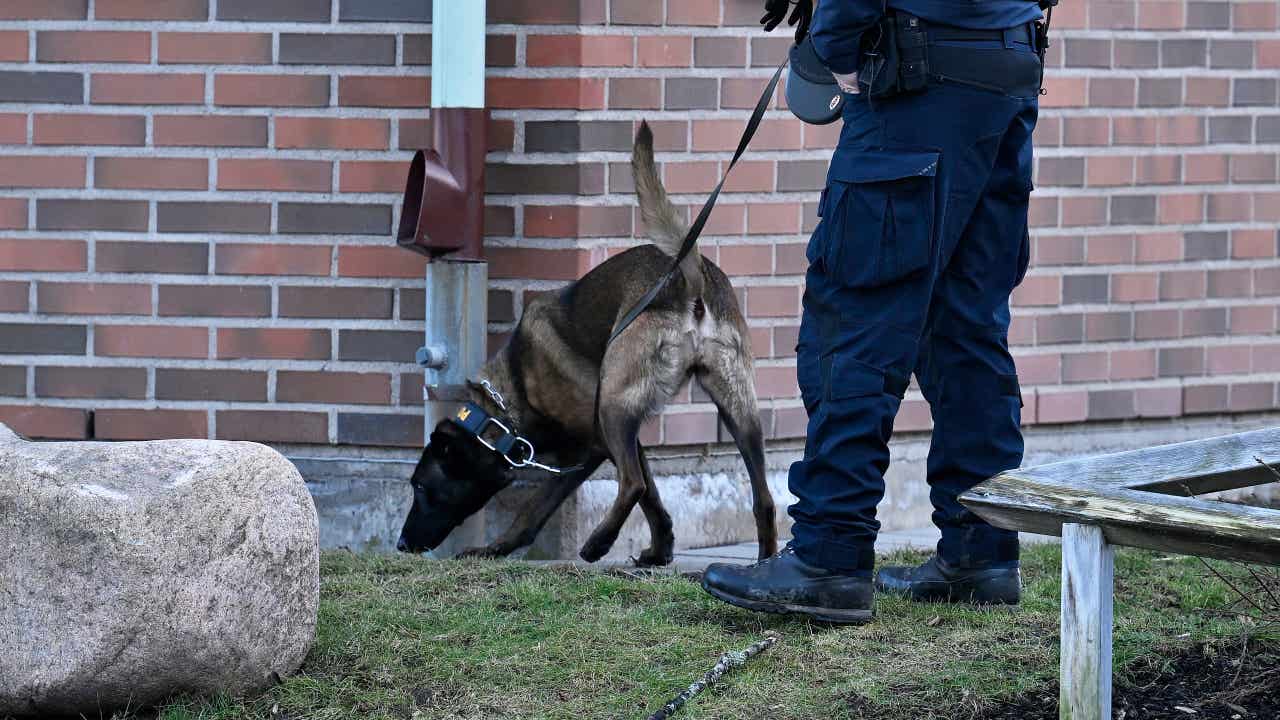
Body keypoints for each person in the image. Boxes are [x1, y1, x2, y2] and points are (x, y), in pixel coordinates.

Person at [701, 0, 1052, 624]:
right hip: (1009, 64)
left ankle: (829, 556)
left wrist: (829, 46)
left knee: (855, 319)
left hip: (919, 77)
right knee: (964, 322)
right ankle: (982, 550)